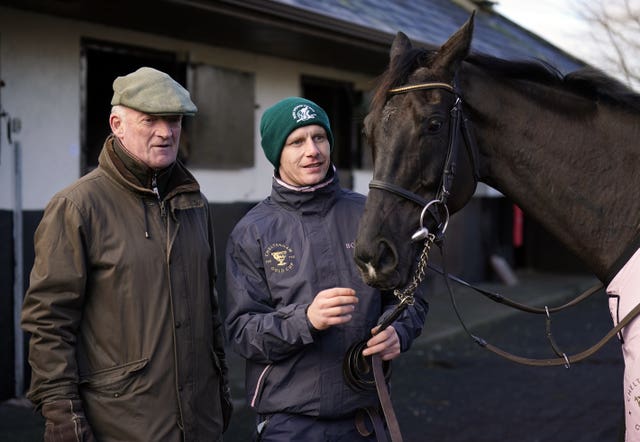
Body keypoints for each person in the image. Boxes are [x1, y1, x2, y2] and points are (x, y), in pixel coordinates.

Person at [21, 67, 232, 442]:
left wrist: (221, 392)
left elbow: (210, 308)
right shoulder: (77, 207)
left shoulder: (193, 202)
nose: (166, 132)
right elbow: (48, 325)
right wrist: (63, 418)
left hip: (201, 424)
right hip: (120, 426)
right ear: (116, 124)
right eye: (150, 119)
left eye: (174, 120)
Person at [224, 96, 428, 441]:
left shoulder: (369, 215)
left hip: (364, 419)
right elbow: (242, 331)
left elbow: (410, 295)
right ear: (277, 152)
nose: (312, 150)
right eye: (296, 141)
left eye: (319, 137)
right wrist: (305, 320)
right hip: (290, 424)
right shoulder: (253, 231)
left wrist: (399, 331)